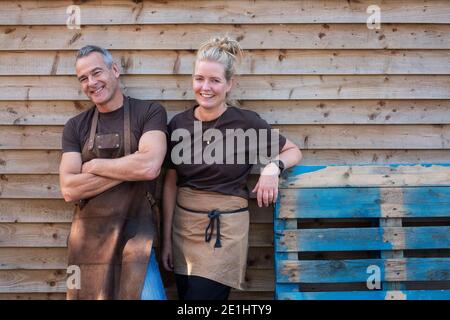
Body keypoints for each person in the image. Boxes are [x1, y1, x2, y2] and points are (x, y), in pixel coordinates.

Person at [161, 36, 302, 300]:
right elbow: (170, 183)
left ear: (229, 84)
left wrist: (273, 167)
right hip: (184, 227)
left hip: (224, 231)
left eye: (215, 80)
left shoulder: (246, 122)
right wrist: (166, 238)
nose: (205, 87)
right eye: (199, 78)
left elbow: (293, 150)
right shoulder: (178, 125)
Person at [59, 45, 167, 300]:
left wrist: (95, 166)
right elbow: (69, 188)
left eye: (97, 73)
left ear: (115, 70)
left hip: (136, 236)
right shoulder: (75, 127)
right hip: (88, 241)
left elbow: (150, 166)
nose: (91, 83)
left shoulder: (150, 112)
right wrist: (131, 168)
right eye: (83, 78)